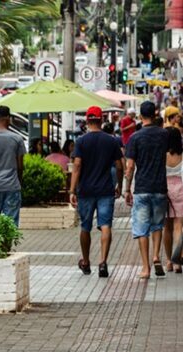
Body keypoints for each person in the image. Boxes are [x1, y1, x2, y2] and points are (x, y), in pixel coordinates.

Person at [69, 106, 124, 278]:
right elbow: (119, 165)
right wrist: (120, 185)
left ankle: (85, 261)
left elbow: (77, 166)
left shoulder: (81, 141)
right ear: (101, 120)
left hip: (85, 190)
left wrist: (72, 190)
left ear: (87, 121)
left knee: (85, 226)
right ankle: (103, 262)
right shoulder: (111, 141)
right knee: (106, 225)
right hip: (106, 189)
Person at [124, 101, 170, 279]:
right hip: (160, 187)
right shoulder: (164, 135)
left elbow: (130, 167)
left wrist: (127, 189)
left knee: (141, 228)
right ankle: (157, 256)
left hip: (142, 187)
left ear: (140, 116)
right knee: (157, 224)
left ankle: (145, 267)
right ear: (155, 113)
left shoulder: (135, 138)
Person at [163, 127, 183, 274]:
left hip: (165, 190)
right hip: (181, 190)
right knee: (179, 226)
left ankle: (168, 261)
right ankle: (177, 261)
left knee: (167, 228)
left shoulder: (161, 155)